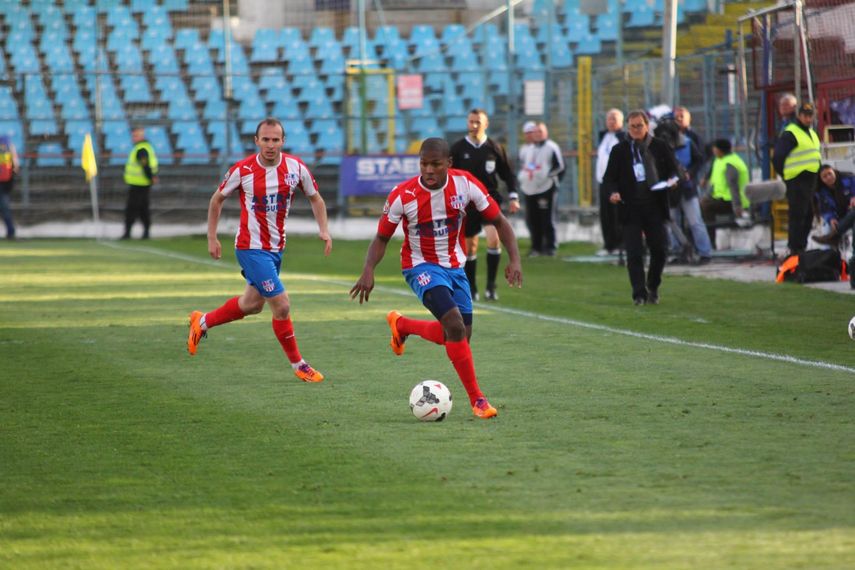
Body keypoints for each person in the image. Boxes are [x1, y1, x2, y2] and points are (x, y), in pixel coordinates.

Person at [349, 137, 523, 419]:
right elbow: (381, 237)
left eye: (435, 164)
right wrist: (368, 269)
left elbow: (500, 221)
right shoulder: (403, 196)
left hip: (456, 267)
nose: (428, 170)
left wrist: (514, 259)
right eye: (423, 164)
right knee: (454, 325)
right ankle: (478, 400)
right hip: (420, 267)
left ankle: (402, 325)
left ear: (448, 164)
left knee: (459, 336)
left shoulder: (465, 184)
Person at [187, 118, 332, 383]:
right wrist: (212, 236)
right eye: (265, 139)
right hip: (250, 247)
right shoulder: (242, 170)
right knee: (282, 305)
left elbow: (316, 198)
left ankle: (202, 322)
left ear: (283, 142)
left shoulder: (295, 167)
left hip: (276, 248)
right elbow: (216, 200)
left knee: (251, 305)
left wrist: (323, 229)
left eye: (275, 139)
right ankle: (299, 364)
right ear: (256, 141)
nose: (270, 144)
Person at [602, 109, 681, 305]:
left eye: (639, 126)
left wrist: (673, 180)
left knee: (660, 249)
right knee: (634, 252)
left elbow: (674, 169)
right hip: (630, 208)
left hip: (654, 206)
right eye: (632, 127)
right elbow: (609, 178)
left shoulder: (660, 146)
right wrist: (613, 192)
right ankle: (639, 293)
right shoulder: (620, 150)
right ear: (627, 128)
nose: (636, 130)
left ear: (647, 126)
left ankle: (652, 285)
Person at [450, 108, 520, 301]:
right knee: (470, 246)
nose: (473, 126)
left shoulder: (495, 148)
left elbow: (507, 174)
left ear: (485, 124)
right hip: (467, 203)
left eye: (477, 122)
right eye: (470, 121)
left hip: (490, 199)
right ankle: (471, 288)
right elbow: (449, 176)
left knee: (493, 239)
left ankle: (491, 286)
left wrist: (513, 196)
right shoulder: (457, 149)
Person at [654, 116, 712, 264]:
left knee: (695, 221)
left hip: (686, 189)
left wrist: (690, 174)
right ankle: (679, 252)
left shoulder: (687, 143)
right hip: (669, 190)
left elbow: (699, 159)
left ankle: (705, 253)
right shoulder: (658, 146)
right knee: (672, 222)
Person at [773, 101, 822, 256]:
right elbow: (778, 158)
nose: (808, 119)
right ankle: (794, 248)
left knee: (808, 215)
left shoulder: (812, 133)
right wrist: (787, 176)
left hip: (810, 180)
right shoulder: (791, 133)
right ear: (799, 116)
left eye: (810, 116)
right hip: (797, 179)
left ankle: (801, 246)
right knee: (797, 215)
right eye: (805, 116)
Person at [517, 121, 565, 256]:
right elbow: (523, 165)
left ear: (546, 133)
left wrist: (548, 176)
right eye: (535, 132)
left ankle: (550, 246)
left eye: (540, 132)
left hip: (547, 187)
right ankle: (536, 247)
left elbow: (560, 166)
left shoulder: (551, 147)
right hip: (530, 188)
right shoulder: (528, 148)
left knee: (548, 218)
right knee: (532, 219)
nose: (537, 134)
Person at [700, 138, 751, 248]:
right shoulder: (720, 159)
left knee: (705, 206)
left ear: (719, 150)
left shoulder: (730, 164)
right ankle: (708, 241)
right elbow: (713, 172)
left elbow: (734, 186)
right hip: (722, 198)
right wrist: (705, 178)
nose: (713, 150)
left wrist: (737, 207)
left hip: (733, 202)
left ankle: (711, 242)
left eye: (715, 148)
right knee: (702, 204)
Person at [596, 108, 627, 255]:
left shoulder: (623, 137)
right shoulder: (604, 136)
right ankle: (608, 245)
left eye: (614, 118)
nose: (611, 121)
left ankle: (620, 244)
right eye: (609, 118)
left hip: (617, 182)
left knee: (617, 214)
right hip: (603, 181)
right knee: (605, 214)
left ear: (621, 121)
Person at [121, 126, 158, 240]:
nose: (133, 138)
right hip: (141, 184)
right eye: (133, 135)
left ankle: (128, 232)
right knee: (143, 209)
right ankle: (145, 232)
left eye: (136, 135)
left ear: (142, 136)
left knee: (132, 209)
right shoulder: (144, 147)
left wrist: (151, 177)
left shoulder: (141, 149)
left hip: (139, 184)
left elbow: (145, 165)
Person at [811, 165, 855, 245]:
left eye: (830, 174)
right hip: (839, 216)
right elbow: (825, 210)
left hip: (851, 211)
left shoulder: (849, 178)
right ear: (821, 180)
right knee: (828, 229)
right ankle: (834, 239)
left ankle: (835, 235)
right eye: (824, 176)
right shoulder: (821, 192)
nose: (828, 177)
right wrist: (831, 218)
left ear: (834, 172)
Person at [0, 134, 19, 239]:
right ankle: (11, 232)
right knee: (5, 208)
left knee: (5, 208)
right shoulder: (8, 144)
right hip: (4, 182)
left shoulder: (7, 144)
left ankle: (11, 232)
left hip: (4, 182)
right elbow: (16, 166)